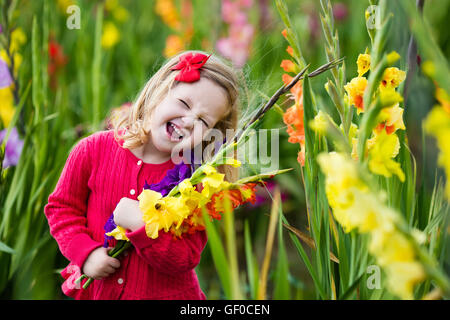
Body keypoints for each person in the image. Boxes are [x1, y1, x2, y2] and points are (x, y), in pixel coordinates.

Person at [44, 51, 241, 300]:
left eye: (203, 120)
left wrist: (143, 227)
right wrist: (86, 253)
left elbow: (185, 258)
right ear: (159, 92)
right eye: (184, 103)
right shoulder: (92, 150)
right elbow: (62, 209)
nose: (190, 120)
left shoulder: (196, 184)